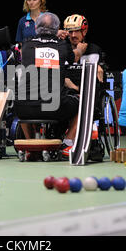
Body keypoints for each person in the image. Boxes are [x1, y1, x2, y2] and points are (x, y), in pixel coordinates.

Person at [14, 12, 82, 156]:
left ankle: (31, 146)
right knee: (83, 102)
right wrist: (69, 43)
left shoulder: (26, 45)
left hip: (24, 109)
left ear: (36, 28)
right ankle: (68, 143)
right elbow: (72, 58)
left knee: (23, 100)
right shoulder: (63, 45)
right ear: (57, 29)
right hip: (54, 107)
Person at [60, 14, 105, 89]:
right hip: (64, 94)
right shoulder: (62, 49)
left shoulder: (94, 50)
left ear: (84, 31)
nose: (73, 35)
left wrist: (97, 66)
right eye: (70, 32)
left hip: (88, 93)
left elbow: (97, 81)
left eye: (77, 31)